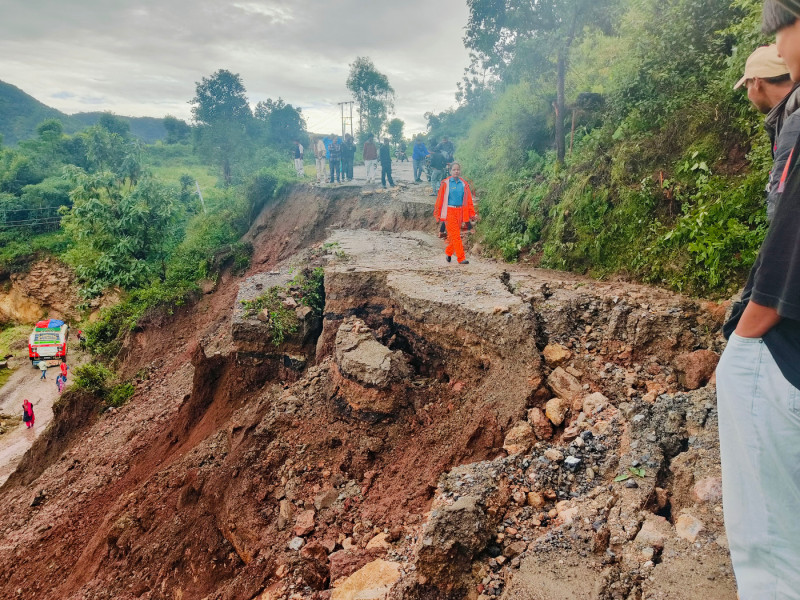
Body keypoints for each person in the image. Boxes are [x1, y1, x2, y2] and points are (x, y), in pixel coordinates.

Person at [716, 2, 800, 598]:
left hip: (786, 328)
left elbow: (790, 234)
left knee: (767, 531)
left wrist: (749, 325)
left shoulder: (796, 121)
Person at [736, 43, 800, 220]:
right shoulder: (788, 114)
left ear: (756, 82)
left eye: (746, 85)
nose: (748, 94)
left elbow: (784, 208)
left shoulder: (795, 121)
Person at [434, 162, 476, 265]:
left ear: (460, 171)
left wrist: (471, 214)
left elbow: (468, 200)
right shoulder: (446, 183)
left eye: (458, 169)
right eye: (454, 169)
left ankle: (448, 252)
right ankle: (461, 258)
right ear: (450, 171)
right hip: (449, 211)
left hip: (460, 212)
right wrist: (438, 213)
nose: (456, 171)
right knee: (456, 235)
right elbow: (440, 199)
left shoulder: (464, 184)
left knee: (453, 235)